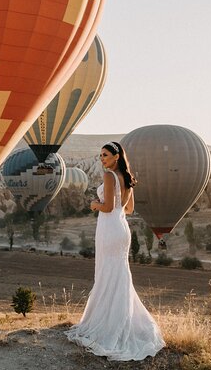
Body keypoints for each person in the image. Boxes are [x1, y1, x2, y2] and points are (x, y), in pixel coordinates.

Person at [65, 141, 165, 360]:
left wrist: (95, 204)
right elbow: (127, 209)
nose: (101, 159)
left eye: (105, 155)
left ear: (116, 156)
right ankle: (123, 322)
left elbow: (108, 207)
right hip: (121, 229)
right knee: (119, 276)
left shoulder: (109, 177)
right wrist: (112, 204)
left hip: (109, 229)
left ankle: (109, 325)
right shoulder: (127, 179)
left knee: (107, 275)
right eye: (100, 155)